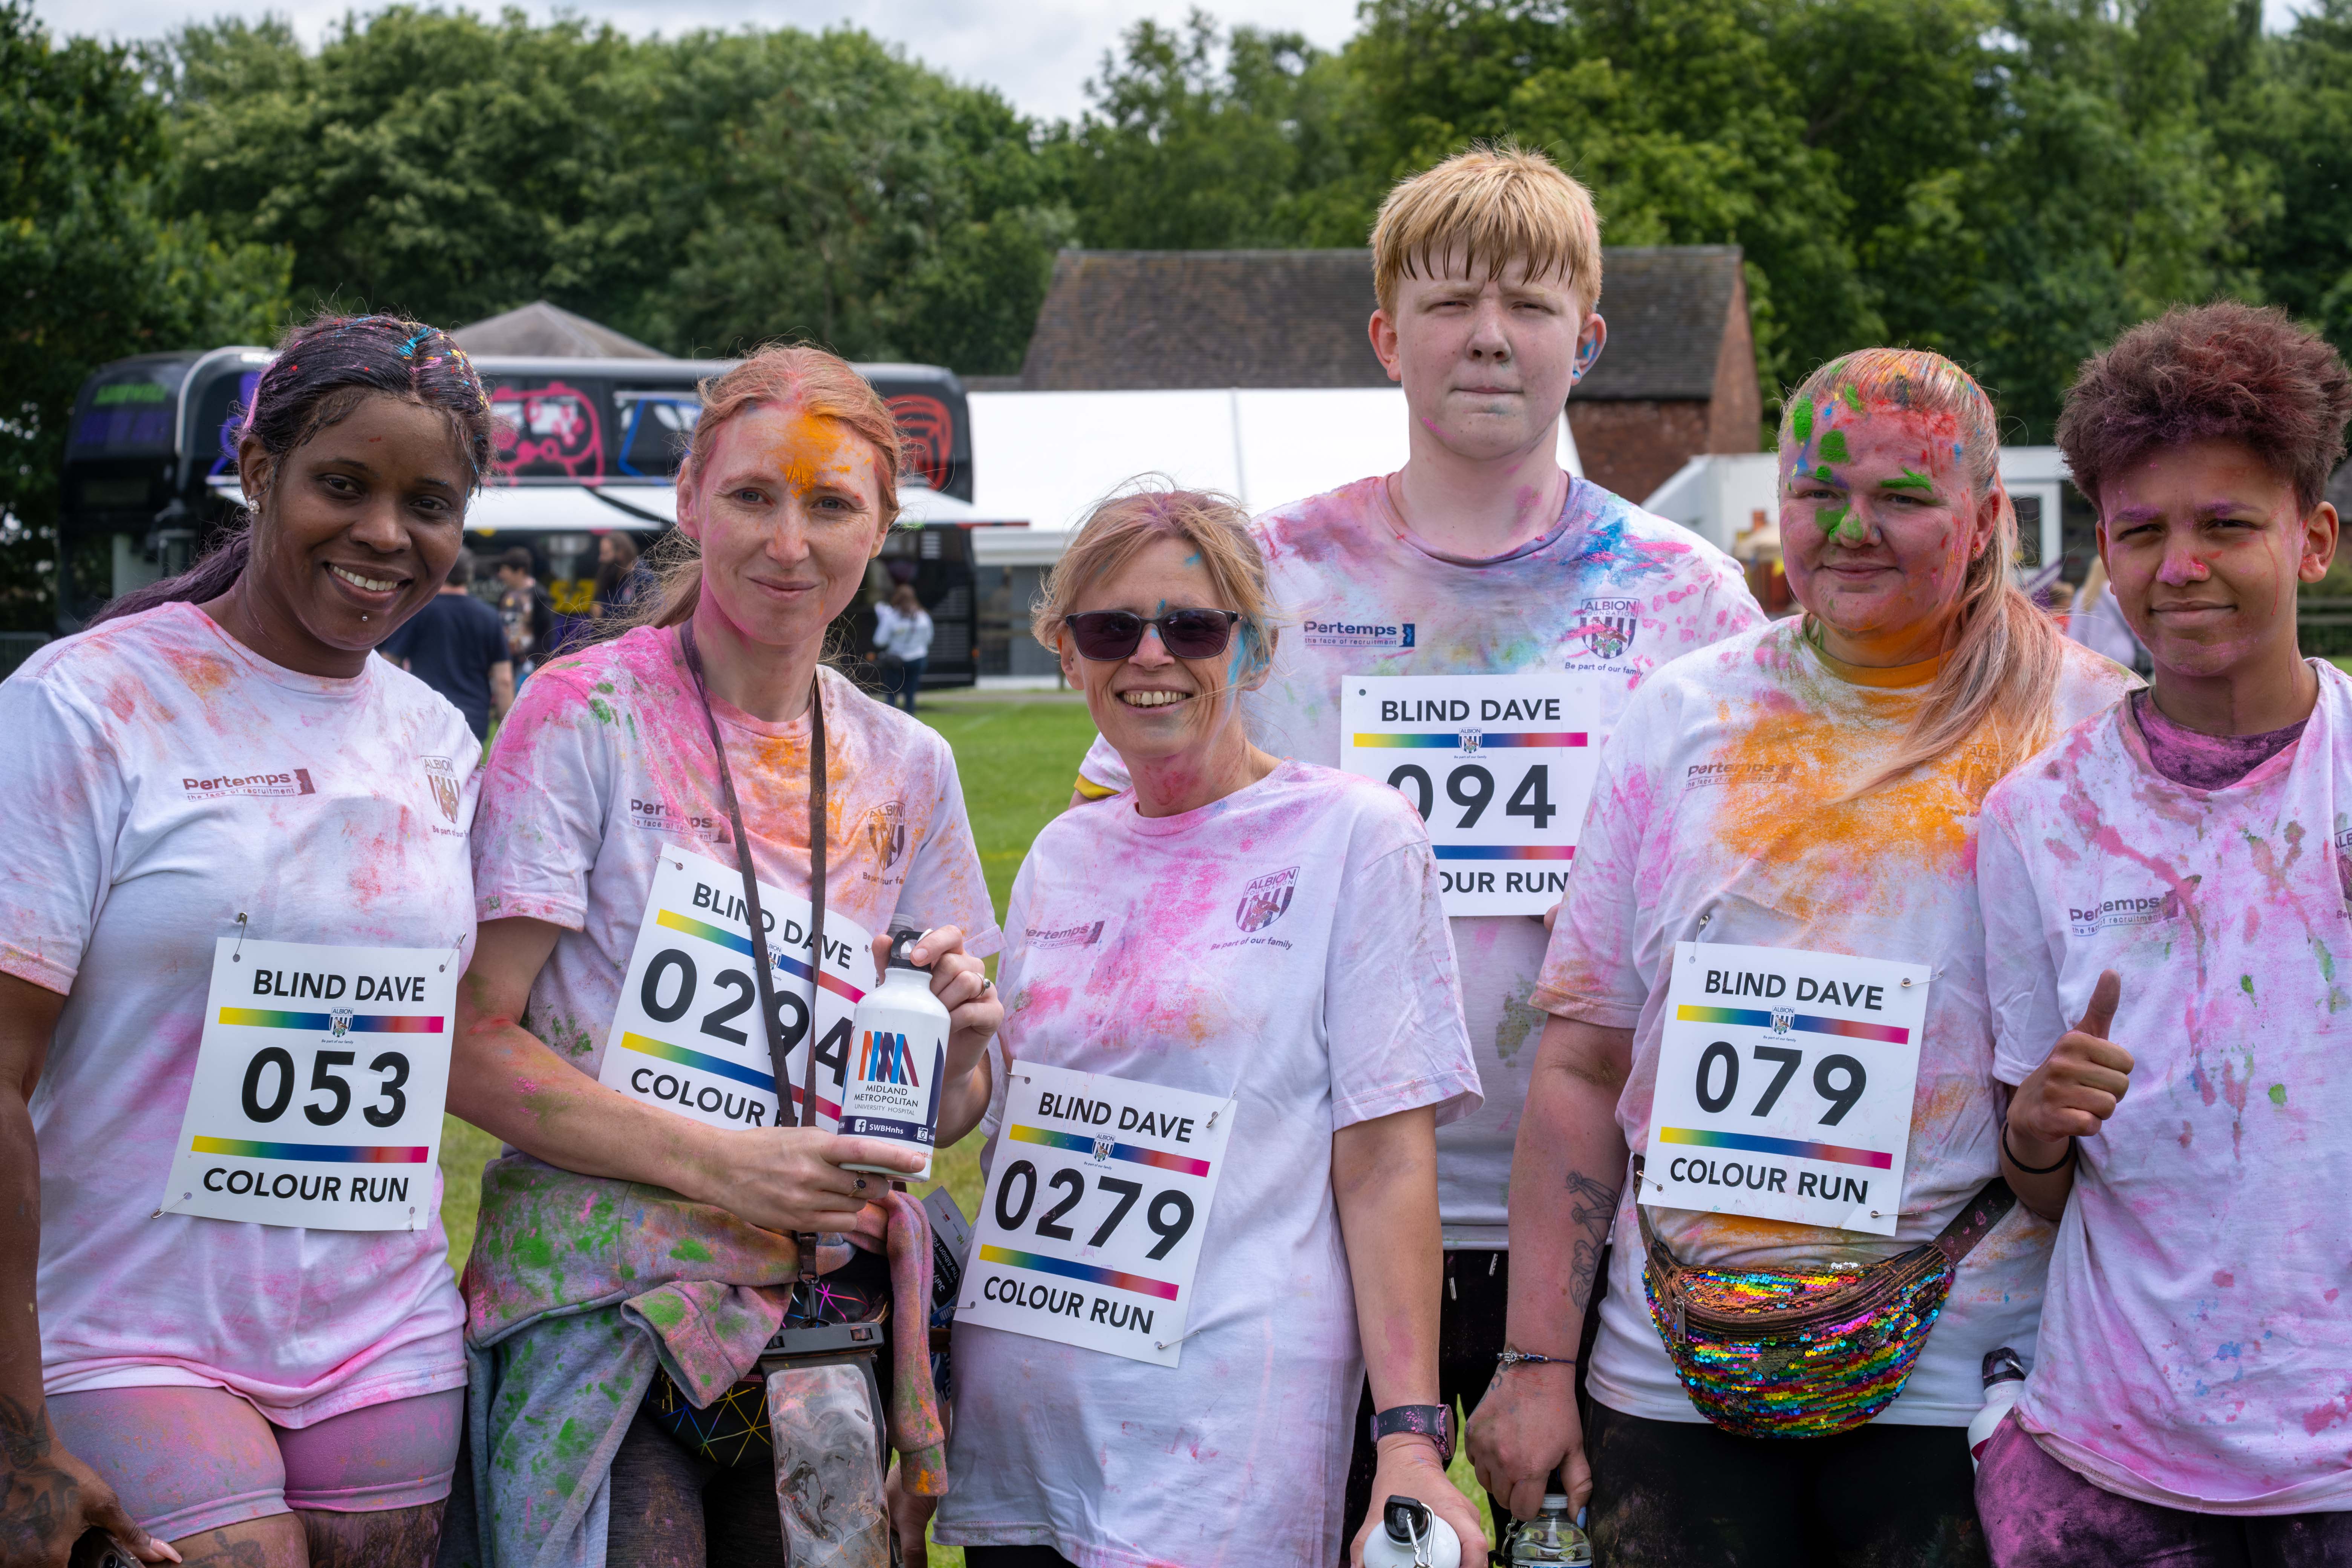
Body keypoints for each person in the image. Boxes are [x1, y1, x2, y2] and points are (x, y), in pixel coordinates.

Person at [1064, 142, 1765, 1545]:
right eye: (1448, 304)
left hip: (1597, 1224)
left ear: (1591, 340)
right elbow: (1116, 839)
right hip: (1299, 1214)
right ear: (1388, 337)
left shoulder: (1691, 603)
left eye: (1527, 303)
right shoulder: (1262, 579)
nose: (1489, 336)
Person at [1470, 348, 2141, 1566]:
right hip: (1672, 1378)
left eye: (1902, 497)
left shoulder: (2089, 729)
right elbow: (1578, 1065)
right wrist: (1532, 1363)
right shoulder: (1680, 717)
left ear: (1988, 517)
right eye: (1819, 492)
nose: (1852, 530)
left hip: (1965, 1384)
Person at [445, 345, 1004, 1568]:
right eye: (753, 495)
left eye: (830, 504)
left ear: (881, 530)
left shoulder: (910, 768)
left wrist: (960, 1045)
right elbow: (470, 1045)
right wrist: (723, 1165)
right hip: (604, 1312)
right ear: (690, 501)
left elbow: (947, 1115)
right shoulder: (583, 714)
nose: (788, 541)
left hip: (829, 1322)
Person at [0, 314, 494, 1568]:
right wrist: (14, 1442)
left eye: (428, 502)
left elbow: (484, 1030)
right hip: (127, 1322)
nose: (386, 534)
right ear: (258, 471)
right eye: (344, 484)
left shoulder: (440, 743)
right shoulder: (85, 705)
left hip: (383, 1329)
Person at [935, 489, 1488, 1568]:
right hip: (1024, 1413)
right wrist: (956, 1049)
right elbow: (1000, 1119)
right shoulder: (1061, 854)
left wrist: (1413, 1438)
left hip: (1223, 1431)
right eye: (1111, 629)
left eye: (1191, 626)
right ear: (1068, 655)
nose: (1151, 655)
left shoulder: (1355, 837)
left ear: (1254, 652)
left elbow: (1383, 1162)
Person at [1975, 303, 2352, 1563]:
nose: (2179, 565)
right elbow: (2039, 1180)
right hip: (2111, 1472)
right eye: (2141, 532)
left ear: (2315, 542)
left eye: (2227, 524)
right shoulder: (2040, 819)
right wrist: (2034, 1128)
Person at [382, 548, 513, 741]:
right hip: (473, 722)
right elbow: (504, 681)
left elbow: (388, 663)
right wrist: (508, 735)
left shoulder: (418, 611)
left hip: (425, 717)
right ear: (470, 575)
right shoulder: (490, 616)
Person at [871, 582, 933, 714]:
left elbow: (879, 641)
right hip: (918, 658)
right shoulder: (923, 617)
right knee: (910, 693)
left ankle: (890, 720)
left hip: (896, 660)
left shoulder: (891, 617)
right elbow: (929, 639)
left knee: (892, 694)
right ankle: (910, 721)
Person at [493, 547, 554, 678]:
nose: (501, 575)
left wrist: (540, 662)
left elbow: (547, 632)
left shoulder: (540, 595)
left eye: (505, 570)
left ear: (520, 571)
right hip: (507, 659)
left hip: (530, 663)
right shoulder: (505, 594)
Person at [592, 532, 649, 618]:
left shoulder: (643, 578)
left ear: (621, 553)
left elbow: (650, 615)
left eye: (606, 553)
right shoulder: (610, 576)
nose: (601, 559)